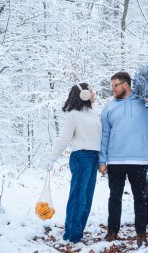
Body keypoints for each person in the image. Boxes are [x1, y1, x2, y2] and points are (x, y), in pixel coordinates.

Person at [98, 71, 148, 247]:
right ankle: (112, 231)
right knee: (115, 197)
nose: (112, 89)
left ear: (126, 84)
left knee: (140, 198)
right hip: (115, 160)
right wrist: (102, 160)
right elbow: (104, 136)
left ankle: (141, 233)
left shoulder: (143, 103)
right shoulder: (108, 108)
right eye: (112, 85)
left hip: (138, 159)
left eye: (115, 85)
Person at [44, 83, 102, 244]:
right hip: (81, 157)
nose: (93, 93)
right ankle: (71, 236)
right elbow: (63, 139)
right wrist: (51, 158)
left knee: (87, 198)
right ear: (83, 93)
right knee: (78, 198)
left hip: (94, 157)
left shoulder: (94, 113)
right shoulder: (73, 114)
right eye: (91, 90)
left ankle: (78, 233)